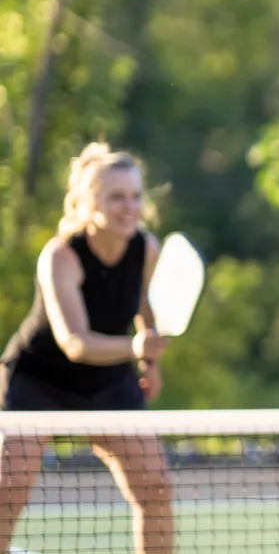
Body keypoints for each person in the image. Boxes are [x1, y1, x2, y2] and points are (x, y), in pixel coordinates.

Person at [0, 142, 175, 553]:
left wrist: (150, 362)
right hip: (37, 381)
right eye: (116, 197)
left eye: (135, 196)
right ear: (86, 202)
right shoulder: (60, 256)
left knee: (156, 487)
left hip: (110, 380)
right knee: (9, 487)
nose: (129, 206)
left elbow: (144, 304)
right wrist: (137, 348)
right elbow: (75, 343)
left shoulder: (146, 248)